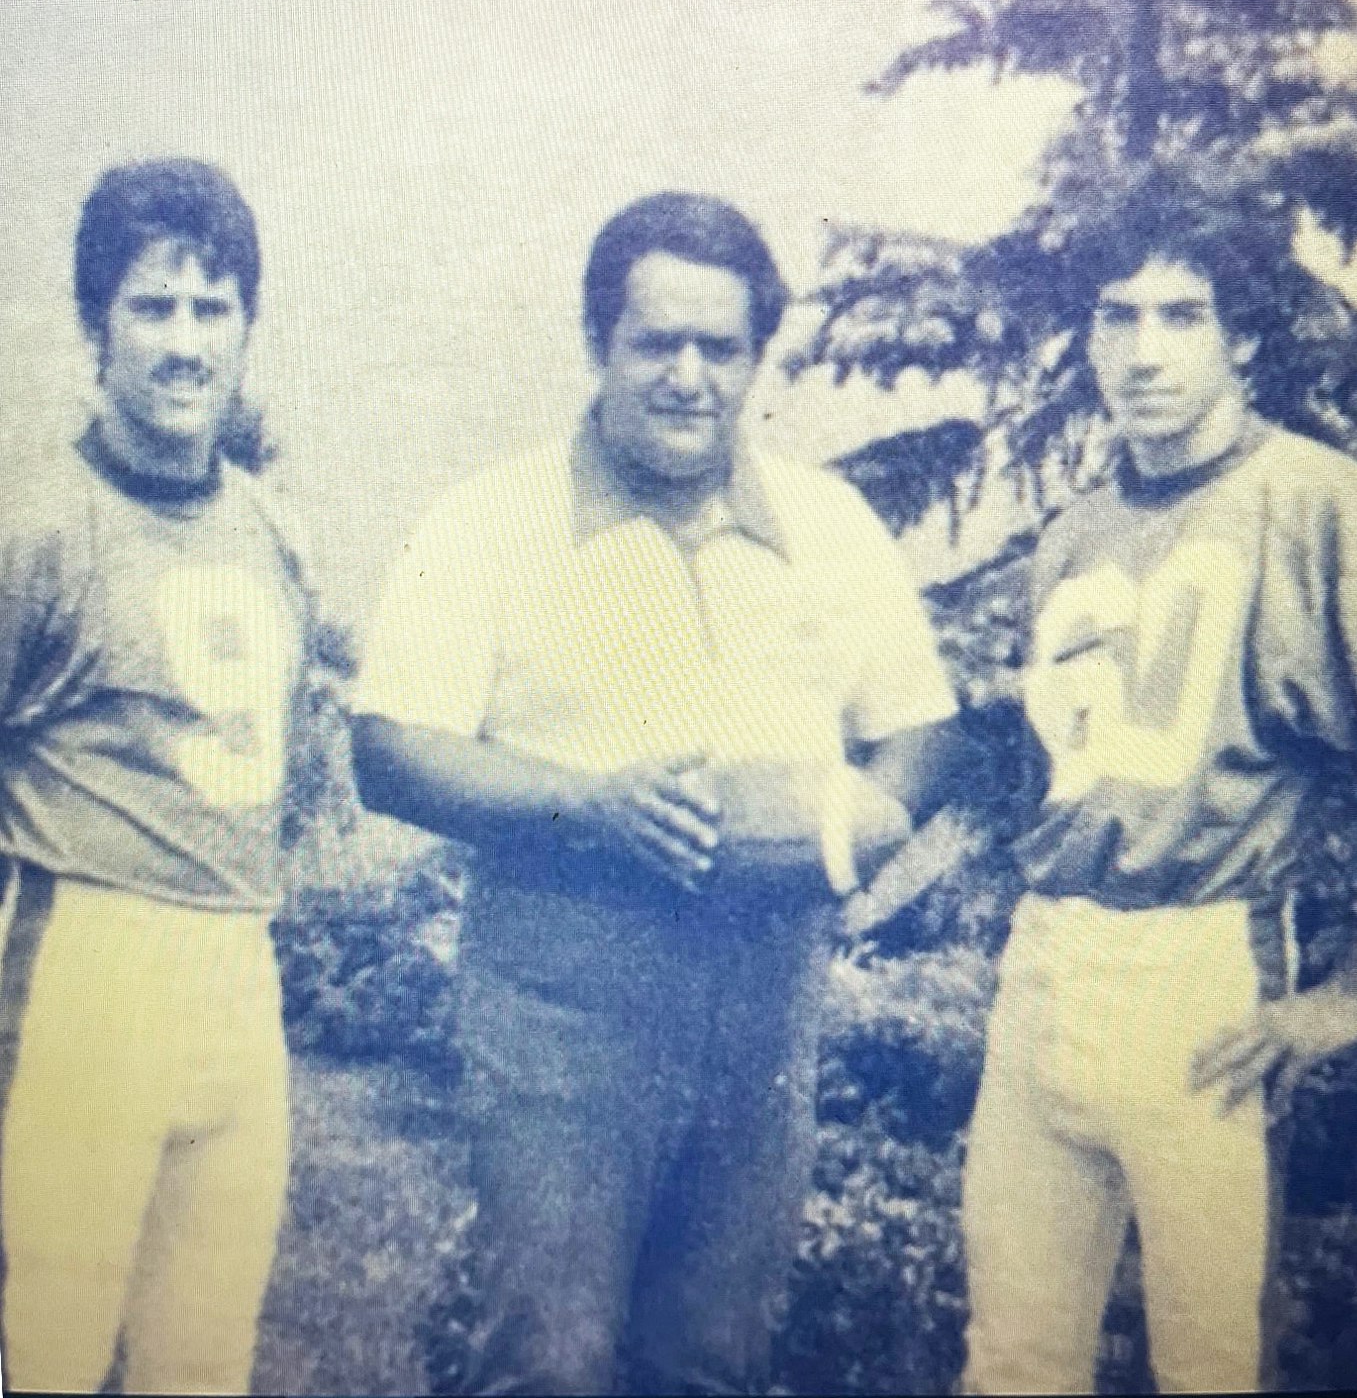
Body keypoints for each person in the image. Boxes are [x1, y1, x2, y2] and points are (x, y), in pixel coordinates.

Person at [351, 190, 960, 1396]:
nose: (688, 376)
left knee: (710, 1361)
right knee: (549, 1362)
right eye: (654, 343)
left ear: (753, 360)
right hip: (562, 1003)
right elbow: (389, 745)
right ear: (598, 345)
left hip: (760, 1009)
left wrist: (854, 833)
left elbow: (921, 735)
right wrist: (589, 808)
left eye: (719, 348)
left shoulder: (828, 526)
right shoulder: (489, 518)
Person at [959, 191, 1357, 1395]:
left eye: (1181, 315)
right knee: (1014, 1363)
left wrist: (1341, 997)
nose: (1142, 351)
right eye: (1114, 315)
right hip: (1047, 967)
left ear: (1241, 336)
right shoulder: (1072, 534)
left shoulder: (1317, 501)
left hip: (1209, 974)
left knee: (1212, 1365)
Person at [0, 158, 312, 1393]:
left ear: (245, 327)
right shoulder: (39, 526)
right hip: (87, 963)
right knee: (51, 1349)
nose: (186, 345)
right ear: (94, 327)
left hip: (240, 968)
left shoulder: (272, 528)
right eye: (152, 308)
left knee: (203, 1358)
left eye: (212, 308)